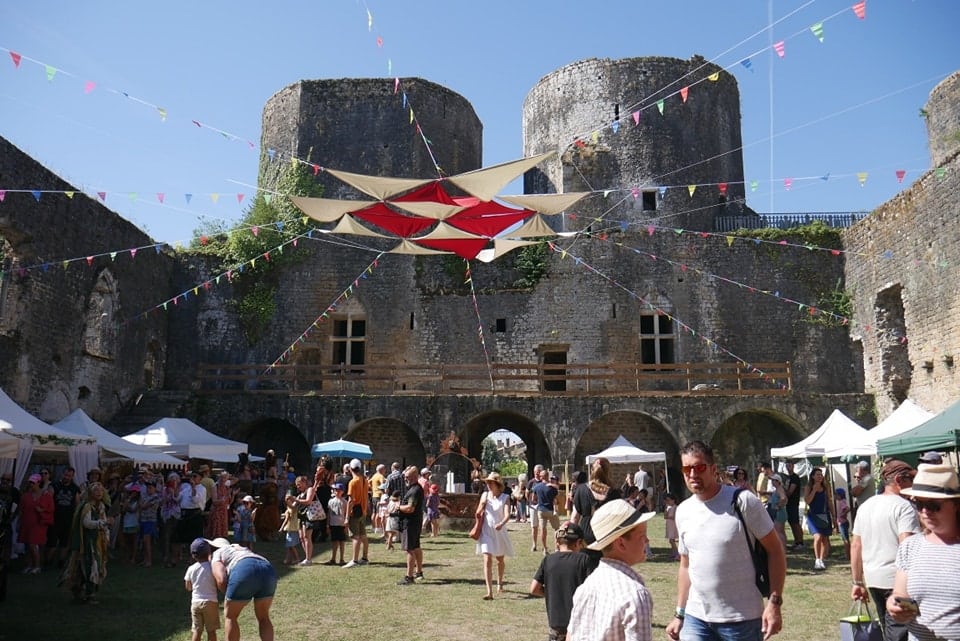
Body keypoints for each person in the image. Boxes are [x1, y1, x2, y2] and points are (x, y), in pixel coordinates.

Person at [666, 440, 786, 641]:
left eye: (699, 467)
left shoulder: (743, 502)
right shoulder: (683, 511)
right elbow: (686, 566)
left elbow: (775, 551)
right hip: (696, 619)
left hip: (742, 619)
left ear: (713, 469)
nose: (693, 474)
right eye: (687, 469)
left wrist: (774, 603)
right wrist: (680, 614)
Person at [886, 463, 960, 641]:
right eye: (919, 504)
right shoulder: (911, 546)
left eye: (934, 505)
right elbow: (899, 594)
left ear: (956, 504)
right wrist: (893, 605)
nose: (925, 512)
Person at [567, 499, 655, 641]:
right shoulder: (634, 595)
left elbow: (571, 636)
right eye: (642, 535)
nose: (647, 540)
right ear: (621, 543)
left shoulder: (587, 586)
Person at [851, 459, 919, 641]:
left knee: (889, 630)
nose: (912, 485)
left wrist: (857, 581)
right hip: (898, 582)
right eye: (910, 481)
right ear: (898, 480)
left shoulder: (865, 507)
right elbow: (907, 545)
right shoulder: (905, 507)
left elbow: (856, 545)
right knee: (901, 633)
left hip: (874, 579)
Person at [531, 521, 593, 641]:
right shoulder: (584, 560)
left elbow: (534, 588)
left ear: (557, 542)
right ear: (578, 542)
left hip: (556, 631)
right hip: (579, 628)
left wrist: (550, 592)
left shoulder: (548, 560)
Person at [208, 537, 277, 641]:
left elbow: (221, 579)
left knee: (230, 616)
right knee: (263, 617)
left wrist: (230, 596)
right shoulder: (239, 548)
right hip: (267, 568)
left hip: (244, 569)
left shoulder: (217, 553)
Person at [62, 481, 111, 603]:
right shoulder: (87, 506)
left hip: (97, 541)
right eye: (96, 490)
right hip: (87, 542)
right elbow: (87, 523)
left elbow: (104, 522)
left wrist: (106, 533)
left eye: (101, 490)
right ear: (90, 493)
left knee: (94, 565)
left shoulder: (101, 507)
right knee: (89, 566)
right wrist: (103, 523)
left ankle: (84, 591)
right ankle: (87, 593)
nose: (99, 492)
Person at [571, 456, 622, 570]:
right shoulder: (613, 493)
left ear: (592, 471)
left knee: (586, 569)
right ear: (608, 471)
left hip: (586, 535)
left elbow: (574, 518)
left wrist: (572, 538)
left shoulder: (581, 490)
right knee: (606, 569)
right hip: (605, 535)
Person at [475, 472, 514, 599]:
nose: (488, 485)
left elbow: (507, 514)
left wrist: (501, 523)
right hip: (486, 532)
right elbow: (478, 513)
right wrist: (482, 506)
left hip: (499, 532)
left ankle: (500, 582)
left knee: (500, 560)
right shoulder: (485, 495)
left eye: (491, 483)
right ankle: (489, 592)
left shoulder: (505, 497)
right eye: (487, 483)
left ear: (497, 484)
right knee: (487, 559)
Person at [185, 538, 220, 641]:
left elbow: (188, 587)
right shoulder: (212, 567)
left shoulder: (191, 569)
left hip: (195, 603)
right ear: (209, 552)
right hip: (210, 602)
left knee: (197, 630)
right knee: (211, 630)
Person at [19, 473, 54, 574]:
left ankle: (37, 565)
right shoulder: (26, 496)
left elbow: (51, 509)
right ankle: (29, 565)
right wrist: (19, 522)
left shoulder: (45, 495)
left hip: (39, 523)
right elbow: (21, 510)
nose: (31, 485)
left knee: (33, 545)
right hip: (27, 522)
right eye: (30, 482)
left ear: (39, 483)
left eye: (33, 483)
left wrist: (42, 510)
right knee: (27, 545)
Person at [46, 467, 80, 569]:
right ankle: (48, 561)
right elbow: (48, 500)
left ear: (72, 476)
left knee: (64, 542)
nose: (67, 477)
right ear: (62, 474)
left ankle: (61, 562)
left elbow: (77, 503)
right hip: (55, 518)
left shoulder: (75, 488)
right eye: (65, 475)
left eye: (69, 476)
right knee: (52, 542)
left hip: (68, 518)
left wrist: (77, 516)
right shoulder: (54, 485)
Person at [396, 465, 425, 585]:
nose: (405, 479)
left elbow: (410, 508)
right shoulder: (415, 488)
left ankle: (409, 577)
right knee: (416, 547)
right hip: (415, 522)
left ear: (414, 477)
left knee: (410, 549)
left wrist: (398, 506)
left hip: (411, 523)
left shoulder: (415, 490)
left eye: (407, 477)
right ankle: (419, 572)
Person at [804, 466, 833, 570]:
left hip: (824, 515)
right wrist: (814, 490)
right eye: (818, 475)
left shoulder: (826, 487)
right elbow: (807, 501)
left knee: (825, 539)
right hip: (813, 516)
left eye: (821, 475)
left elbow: (829, 501)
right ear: (812, 476)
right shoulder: (808, 487)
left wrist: (834, 515)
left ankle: (821, 560)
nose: (820, 476)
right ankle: (817, 559)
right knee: (818, 537)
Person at [343, 458, 369, 568]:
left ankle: (354, 560)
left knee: (355, 537)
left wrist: (347, 517)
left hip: (355, 513)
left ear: (350, 469)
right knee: (363, 536)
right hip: (363, 511)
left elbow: (351, 501)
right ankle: (364, 558)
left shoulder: (353, 482)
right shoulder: (364, 480)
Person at [534, 470, 561, 554]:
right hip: (550, 510)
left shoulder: (537, 487)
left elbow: (533, 499)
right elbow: (557, 499)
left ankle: (545, 548)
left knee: (543, 529)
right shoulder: (552, 487)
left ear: (541, 477)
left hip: (541, 510)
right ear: (547, 476)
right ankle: (556, 547)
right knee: (557, 529)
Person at [290, 475, 315, 566]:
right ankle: (307, 557)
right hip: (301, 517)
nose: (298, 486)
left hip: (309, 516)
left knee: (307, 537)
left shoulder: (310, 490)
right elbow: (293, 507)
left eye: (299, 484)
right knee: (301, 537)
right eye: (297, 485)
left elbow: (308, 501)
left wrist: (296, 500)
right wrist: (288, 500)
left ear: (304, 483)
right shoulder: (300, 494)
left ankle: (308, 559)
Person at [782, 461, 803, 549]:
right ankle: (796, 541)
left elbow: (790, 492)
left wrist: (782, 490)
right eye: (787, 466)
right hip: (788, 503)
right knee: (791, 522)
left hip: (793, 503)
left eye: (789, 465)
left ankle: (800, 542)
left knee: (795, 523)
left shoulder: (795, 478)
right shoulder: (788, 478)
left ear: (793, 466)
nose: (788, 467)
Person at [325, 483, 347, 565]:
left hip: (341, 524)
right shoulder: (331, 501)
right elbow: (329, 514)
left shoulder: (344, 501)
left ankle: (342, 559)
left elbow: (346, 514)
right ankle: (333, 558)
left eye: (338, 490)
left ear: (342, 491)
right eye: (335, 490)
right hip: (333, 524)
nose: (337, 491)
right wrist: (327, 525)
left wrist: (346, 525)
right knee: (334, 542)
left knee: (341, 542)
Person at [278, 494, 300, 566]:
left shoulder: (291, 508)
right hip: (293, 528)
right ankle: (287, 559)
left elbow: (286, 520)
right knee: (289, 546)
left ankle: (296, 558)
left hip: (291, 528)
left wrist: (281, 528)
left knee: (291, 545)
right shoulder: (292, 508)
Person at [528, 464, 544, 551]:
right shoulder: (531, 482)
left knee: (542, 526)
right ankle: (534, 544)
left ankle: (543, 544)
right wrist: (530, 502)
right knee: (534, 526)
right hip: (533, 506)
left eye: (538, 472)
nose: (536, 474)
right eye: (535, 472)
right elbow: (527, 492)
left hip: (542, 506)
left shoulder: (543, 482)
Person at [834, 487, 850, 561]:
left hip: (843, 523)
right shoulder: (841, 501)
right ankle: (847, 554)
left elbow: (847, 508)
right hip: (842, 522)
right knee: (844, 539)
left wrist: (842, 515)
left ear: (839, 495)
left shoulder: (841, 502)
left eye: (836, 495)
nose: (835, 496)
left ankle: (848, 555)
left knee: (845, 540)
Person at [663, 492, 680, 561]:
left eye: (669, 500)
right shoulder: (668, 507)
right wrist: (666, 509)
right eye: (666, 500)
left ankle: (677, 554)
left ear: (673, 500)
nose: (667, 502)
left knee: (672, 540)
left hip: (674, 525)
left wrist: (668, 516)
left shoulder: (676, 507)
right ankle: (674, 553)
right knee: (671, 540)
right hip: (669, 525)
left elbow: (674, 517)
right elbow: (665, 516)